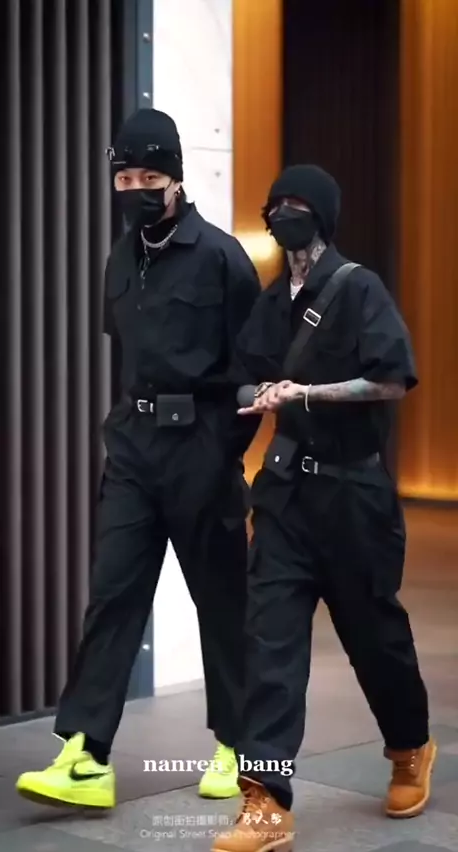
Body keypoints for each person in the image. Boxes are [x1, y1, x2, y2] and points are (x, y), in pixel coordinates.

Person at [16, 109, 262, 810]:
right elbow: (127, 354)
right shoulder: (120, 258)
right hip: (133, 450)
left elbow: (255, 369)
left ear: (176, 179)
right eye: (125, 178)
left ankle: (239, 745)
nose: (136, 189)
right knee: (113, 595)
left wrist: (220, 452)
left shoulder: (222, 258)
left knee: (222, 602)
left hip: (202, 449)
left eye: (150, 177)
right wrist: (123, 431)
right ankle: (86, 756)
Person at [212, 165, 434, 852]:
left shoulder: (359, 288)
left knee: (374, 637)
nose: (283, 215)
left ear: (324, 218)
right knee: (269, 643)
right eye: (275, 205)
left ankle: (409, 746)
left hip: (354, 496)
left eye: (297, 205)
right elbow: (241, 377)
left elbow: (392, 380)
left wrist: (306, 393)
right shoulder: (270, 301)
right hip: (285, 495)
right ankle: (266, 800)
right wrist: (255, 396)